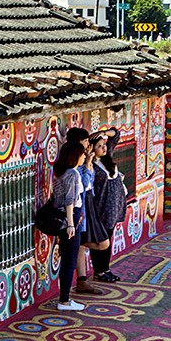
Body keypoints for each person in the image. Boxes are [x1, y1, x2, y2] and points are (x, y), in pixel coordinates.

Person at [52, 138, 88, 311]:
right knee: (69, 261)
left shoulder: (63, 172)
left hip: (65, 219)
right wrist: (71, 224)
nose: (84, 156)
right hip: (70, 219)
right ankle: (64, 301)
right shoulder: (73, 174)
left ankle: (65, 299)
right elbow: (69, 201)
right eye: (82, 154)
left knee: (67, 259)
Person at [75, 131, 110, 294]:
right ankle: (75, 244)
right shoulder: (75, 162)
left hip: (89, 203)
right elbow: (83, 184)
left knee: (82, 245)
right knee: (102, 243)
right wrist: (88, 163)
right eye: (85, 141)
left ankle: (82, 281)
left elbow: (90, 183)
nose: (88, 145)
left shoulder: (85, 159)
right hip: (81, 206)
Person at [90, 128, 127, 282]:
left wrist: (103, 133)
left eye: (104, 145)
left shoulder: (108, 157)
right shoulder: (92, 166)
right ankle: (98, 271)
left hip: (115, 206)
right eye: (99, 146)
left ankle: (105, 269)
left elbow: (116, 134)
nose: (103, 148)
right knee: (100, 240)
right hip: (102, 208)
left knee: (108, 238)